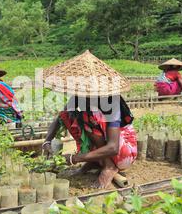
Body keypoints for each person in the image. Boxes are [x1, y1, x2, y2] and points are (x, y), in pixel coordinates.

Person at [42, 50, 138, 189]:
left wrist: (74, 158)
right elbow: (59, 119)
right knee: (68, 115)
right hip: (105, 150)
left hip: (123, 154)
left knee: (90, 118)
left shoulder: (111, 101)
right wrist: (47, 140)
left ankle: (109, 167)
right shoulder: (79, 97)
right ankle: (95, 162)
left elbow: (113, 147)